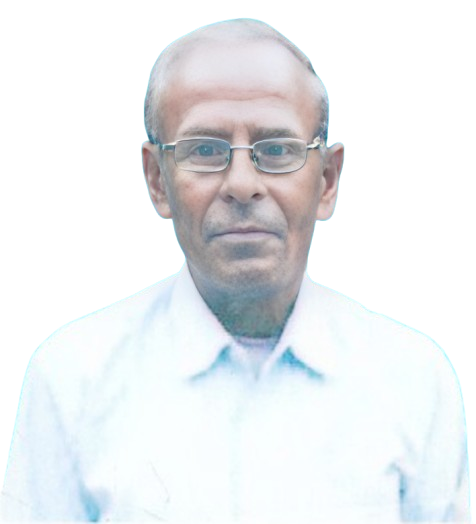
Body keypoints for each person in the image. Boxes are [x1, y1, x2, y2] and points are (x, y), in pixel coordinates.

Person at [1, 18, 469, 522]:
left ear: (328, 181)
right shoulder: (73, 380)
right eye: (205, 150)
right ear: (157, 180)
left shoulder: (413, 381)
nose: (242, 184)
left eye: (277, 150)